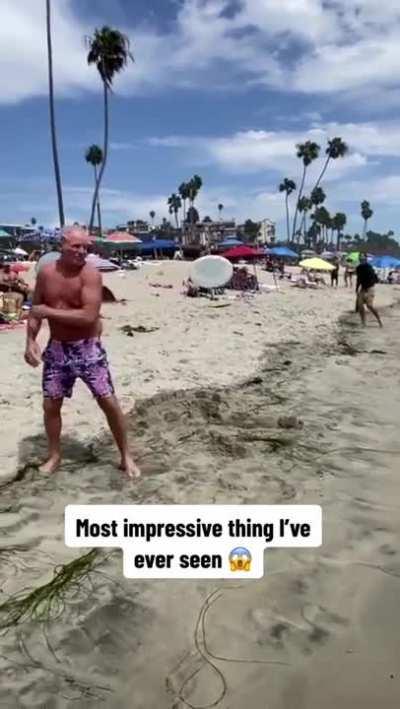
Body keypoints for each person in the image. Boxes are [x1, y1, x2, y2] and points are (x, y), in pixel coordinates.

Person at [24, 226, 140, 478]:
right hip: (57, 349)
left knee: (108, 401)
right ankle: (54, 456)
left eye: (86, 247)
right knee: (50, 405)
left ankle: (125, 456)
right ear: (62, 245)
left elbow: (88, 316)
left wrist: (47, 312)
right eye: (76, 246)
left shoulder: (91, 275)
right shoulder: (45, 274)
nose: (82, 251)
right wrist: (30, 340)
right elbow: (35, 310)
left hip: (88, 348)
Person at [355, 254, 382, 327]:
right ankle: (363, 322)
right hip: (363, 288)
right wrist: (357, 289)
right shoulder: (358, 268)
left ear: (365, 259)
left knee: (369, 306)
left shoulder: (369, 267)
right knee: (360, 306)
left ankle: (379, 319)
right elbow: (358, 279)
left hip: (370, 288)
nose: (361, 260)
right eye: (360, 259)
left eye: (363, 259)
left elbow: (375, 278)